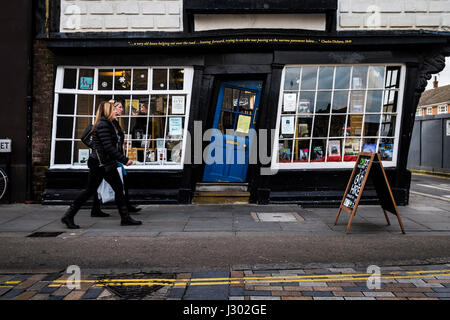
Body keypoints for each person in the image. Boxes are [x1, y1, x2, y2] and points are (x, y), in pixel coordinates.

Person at [61, 101, 142, 229]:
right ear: (108, 111)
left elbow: (109, 145)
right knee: (91, 190)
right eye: (114, 109)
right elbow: (108, 147)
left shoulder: (108, 124)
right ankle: (68, 216)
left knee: (116, 188)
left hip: (106, 163)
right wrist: (125, 160)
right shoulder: (103, 125)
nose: (116, 111)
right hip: (100, 164)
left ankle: (125, 218)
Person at [90, 99, 141, 217]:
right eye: (118, 107)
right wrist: (123, 158)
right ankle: (123, 213)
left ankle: (124, 213)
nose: (121, 109)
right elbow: (106, 144)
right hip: (104, 160)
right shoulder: (104, 123)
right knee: (94, 188)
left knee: (118, 185)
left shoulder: (114, 122)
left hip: (111, 158)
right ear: (110, 109)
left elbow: (114, 141)